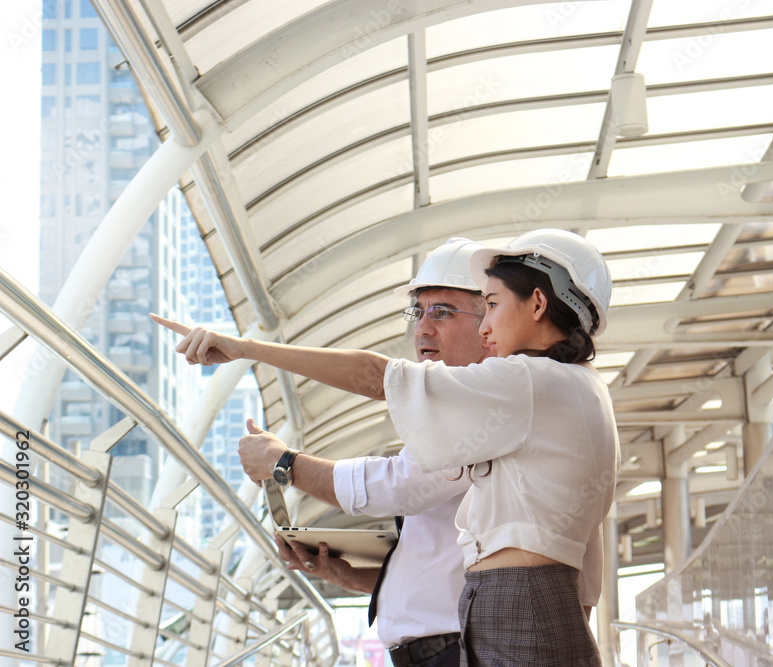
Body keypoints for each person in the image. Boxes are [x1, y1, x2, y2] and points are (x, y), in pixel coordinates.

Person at [154, 229, 618, 667]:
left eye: (488, 305)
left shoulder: (524, 384)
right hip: (512, 605)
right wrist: (349, 574)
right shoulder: (566, 391)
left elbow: (381, 393)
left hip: (511, 605)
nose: (487, 327)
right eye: (418, 312)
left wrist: (249, 355)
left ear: (537, 303)